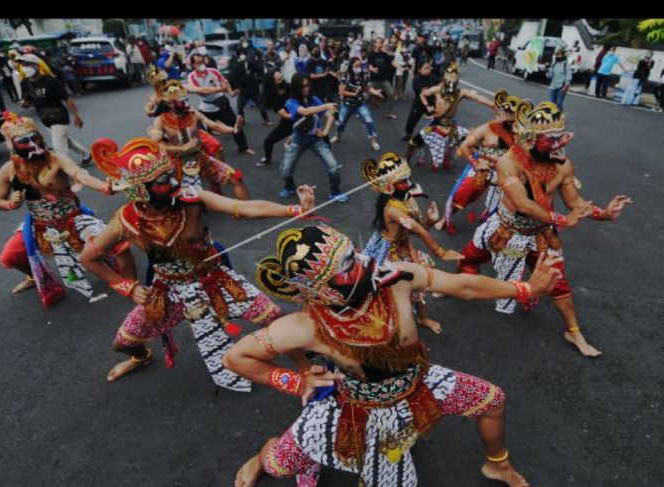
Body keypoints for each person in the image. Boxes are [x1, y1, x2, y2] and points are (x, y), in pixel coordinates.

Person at [226, 224, 563, 487]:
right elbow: (236, 358)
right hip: (366, 411)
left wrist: (526, 289)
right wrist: (295, 380)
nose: (363, 261)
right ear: (322, 289)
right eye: (346, 265)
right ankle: (265, 453)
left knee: (492, 400)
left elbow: (464, 285)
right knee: (280, 466)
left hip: (418, 381)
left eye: (353, 252)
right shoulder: (307, 326)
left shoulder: (395, 278)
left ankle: (497, 464)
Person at [84, 137, 317, 386]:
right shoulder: (125, 220)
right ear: (140, 189)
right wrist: (126, 287)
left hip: (214, 280)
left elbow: (244, 207)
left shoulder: (192, 198)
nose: (175, 183)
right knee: (123, 343)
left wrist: (293, 210)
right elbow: (89, 258)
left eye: (172, 175)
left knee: (274, 316)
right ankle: (141, 358)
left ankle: (305, 367)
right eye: (163, 182)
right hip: (168, 291)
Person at [458, 100, 632, 357]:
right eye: (550, 139)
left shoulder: (562, 165)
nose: (558, 144)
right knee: (472, 255)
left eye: (559, 137)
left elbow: (576, 203)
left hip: (541, 234)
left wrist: (604, 213)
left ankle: (573, 332)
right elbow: (522, 203)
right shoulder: (509, 162)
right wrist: (563, 220)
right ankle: (457, 285)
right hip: (506, 229)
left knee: (558, 283)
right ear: (530, 139)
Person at [0, 112, 134, 307]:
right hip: (39, 225)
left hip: (73, 218)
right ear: (11, 145)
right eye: (24, 141)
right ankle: (33, 276)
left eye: (35, 138)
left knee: (119, 245)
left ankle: (129, 282)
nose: (32, 144)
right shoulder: (8, 169)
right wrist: (11, 203)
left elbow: (80, 175)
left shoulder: (55, 159)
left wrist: (105, 187)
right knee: (10, 256)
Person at [362, 152, 463, 334]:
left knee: (418, 287)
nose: (409, 184)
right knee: (394, 293)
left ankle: (422, 317)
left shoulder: (405, 200)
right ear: (390, 187)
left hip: (404, 249)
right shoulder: (393, 209)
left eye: (408, 179)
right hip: (389, 255)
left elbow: (413, 230)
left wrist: (431, 221)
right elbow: (418, 230)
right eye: (403, 182)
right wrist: (440, 252)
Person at [145, 68, 248, 199]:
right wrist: (152, 117)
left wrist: (233, 129)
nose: (183, 102)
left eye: (184, 98)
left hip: (198, 152)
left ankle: (216, 185)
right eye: (179, 100)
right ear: (169, 103)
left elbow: (213, 122)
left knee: (232, 173)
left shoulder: (192, 113)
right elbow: (156, 144)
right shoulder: (161, 118)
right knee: (185, 200)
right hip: (177, 160)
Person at [437, 90, 520, 235]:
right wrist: (476, 164)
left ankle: (491, 223)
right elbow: (464, 146)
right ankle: (445, 219)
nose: (505, 117)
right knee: (462, 195)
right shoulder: (488, 128)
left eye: (510, 115)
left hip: (504, 172)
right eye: (503, 113)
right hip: (482, 169)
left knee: (506, 203)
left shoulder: (519, 133)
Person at [407, 62, 495, 172]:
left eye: (454, 82)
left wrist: (492, 104)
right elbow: (422, 94)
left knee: (472, 144)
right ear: (445, 80)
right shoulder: (437, 90)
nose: (452, 84)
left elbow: (478, 98)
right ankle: (406, 165)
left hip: (451, 126)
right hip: (435, 125)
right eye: (449, 81)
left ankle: (482, 167)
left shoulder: (460, 93)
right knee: (412, 144)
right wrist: (427, 106)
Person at [279, 73, 347, 202]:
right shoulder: (290, 102)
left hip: (315, 138)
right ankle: (290, 187)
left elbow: (330, 115)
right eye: (303, 86)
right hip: (299, 139)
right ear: (296, 88)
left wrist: (326, 131)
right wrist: (325, 105)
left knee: (332, 165)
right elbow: (305, 112)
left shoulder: (314, 99)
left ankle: (335, 192)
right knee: (285, 171)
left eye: (307, 85)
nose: (306, 88)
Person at [17, 54, 91, 165]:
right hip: (45, 118)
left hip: (59, 117)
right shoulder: (25, 83)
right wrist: (24, 104)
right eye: (23, 65)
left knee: (59, 148)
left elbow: (67, 99)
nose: (25, 67)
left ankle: (68, 173)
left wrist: (76, 116)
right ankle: (87, 155)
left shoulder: (51, 81)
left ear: (37, 66)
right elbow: (28, 102)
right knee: (66, 141)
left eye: (28, 64)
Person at [187, 53, 254, 155]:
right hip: (206, 107)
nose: (201, 64)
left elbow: (225, 82)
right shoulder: (191, 77)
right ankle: (205, 154)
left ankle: (244, 147)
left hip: (221, 104)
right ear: (193, 65)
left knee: (235, 124)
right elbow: (202, 91)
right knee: (202, 132)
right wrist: (219, 89)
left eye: (202, 61)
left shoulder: (213, 71)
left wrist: (231, 92)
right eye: (198, 62)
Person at [330, 57, 383, 151]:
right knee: (340, 122)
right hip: (347, 104)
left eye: (360, 65)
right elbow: (341, 91)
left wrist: (375, 92)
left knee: (368, 120)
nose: (359, 67)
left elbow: (367, 87)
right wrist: (353, 94)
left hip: (359, 104)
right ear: (351, 66)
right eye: (356, 66)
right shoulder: (346, 76)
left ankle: (373, 141)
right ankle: (338, 135)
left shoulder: (364, 75)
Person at [258, 70, 293, 166]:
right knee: (268, 141)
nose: (281, 78)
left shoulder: (289, 87)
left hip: (302, 121)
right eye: (278, 78)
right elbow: (286, 115)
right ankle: (267, 158)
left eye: (281, 77)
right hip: (288, 123)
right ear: (272, 81)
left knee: (320, 138)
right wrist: (300, 113)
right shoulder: (272, 97)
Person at [232, 47, 272, 125]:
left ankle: (266, 120)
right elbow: (237, 79)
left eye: (244, 54)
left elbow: (259, 70)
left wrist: (263, 74)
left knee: (261, 106)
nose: (243, 56)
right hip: (243, 91)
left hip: (254, 89)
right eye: (241, 54)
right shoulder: (236, 66)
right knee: (240, 108)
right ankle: (241, 121)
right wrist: (247, 76)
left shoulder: (250, 63)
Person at [403, 60, 438, 142]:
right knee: (410, 122)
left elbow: (437, 92)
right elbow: (423, 93)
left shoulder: (434, 79)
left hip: (431, 103)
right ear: (419, 70)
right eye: (425, 68)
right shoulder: (416, 79)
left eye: (429, 68)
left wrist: (436, 104)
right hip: (419, 103)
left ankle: (431, 135)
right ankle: (408, 134)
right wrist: (427, 105)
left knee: (438, 120)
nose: (428, 69)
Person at [368, 37, 398, 119]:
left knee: (391, 94)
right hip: (373, 79)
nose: (379, 45)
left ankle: (389, 112)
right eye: (377, 43)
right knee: (367, 96)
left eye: (381, 43)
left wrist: (399, 67)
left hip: (384, 80)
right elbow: (369, 65)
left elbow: (392, 62)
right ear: (375, 44)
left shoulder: (384, 55)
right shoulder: (371, 54)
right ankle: (362, 111)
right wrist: (372, 69)